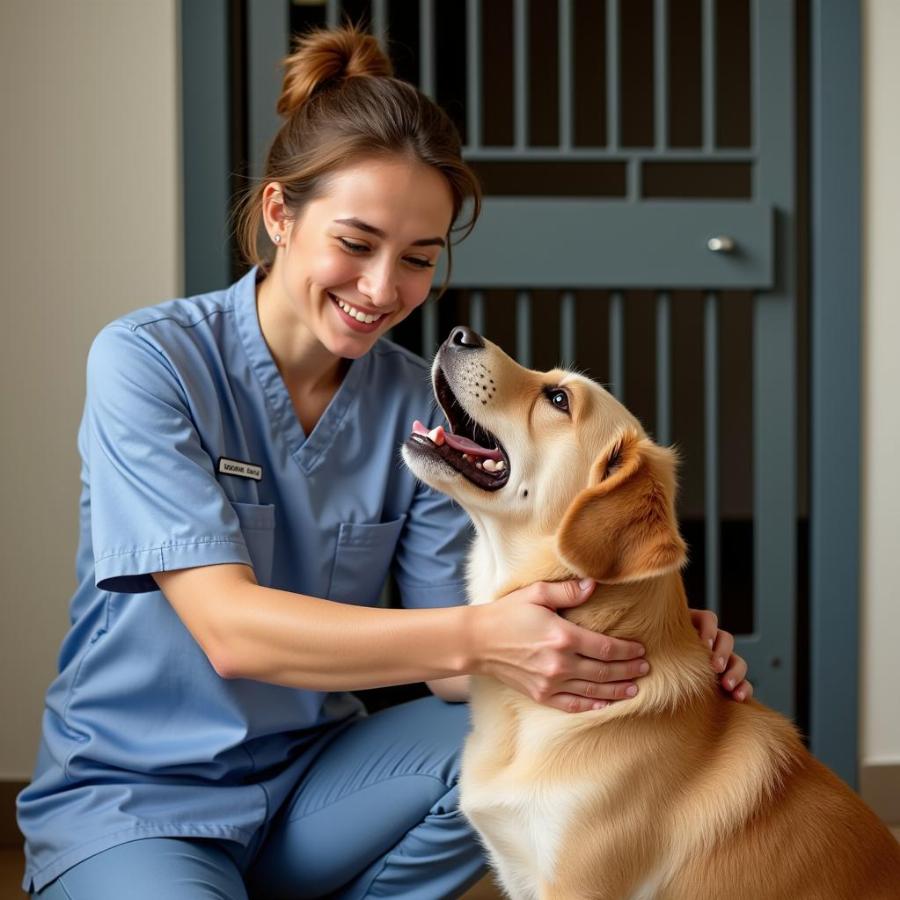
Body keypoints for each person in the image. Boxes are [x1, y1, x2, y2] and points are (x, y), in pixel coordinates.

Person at [17, 24, 752, 900]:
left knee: (521, 744)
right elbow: (230, 631)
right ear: (279, 214)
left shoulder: (418, 406)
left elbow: (456, 665)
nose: (382, 291)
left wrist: (644, 630)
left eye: (417, 261)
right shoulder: (148, 361)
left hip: (314, 787)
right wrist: (487, 635)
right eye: (357, 244)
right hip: (139, 803)